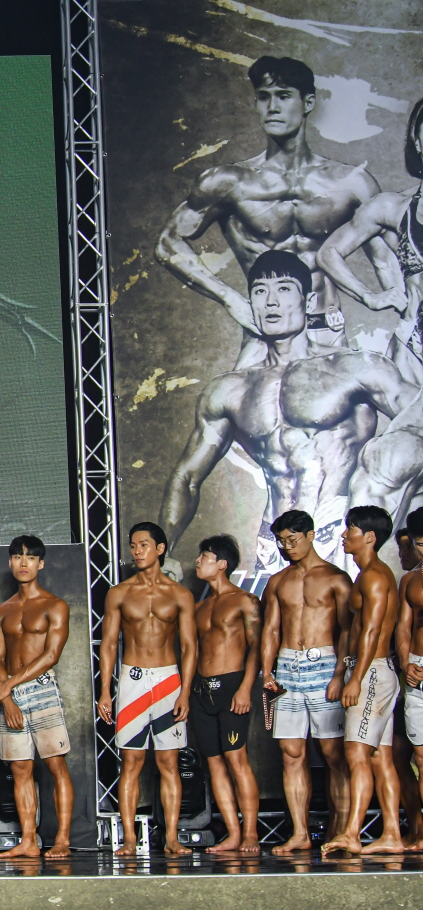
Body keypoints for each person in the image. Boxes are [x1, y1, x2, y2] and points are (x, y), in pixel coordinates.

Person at [160, 250, 416, 574]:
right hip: (274, 539)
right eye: (260, 291)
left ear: (309, 302)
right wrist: (163, 552)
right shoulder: (230, 389)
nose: (271, 302)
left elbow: (417, 417)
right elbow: (187, 477)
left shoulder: (353, 368)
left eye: (283, 289)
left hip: (337, 530)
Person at [156, 56, 386, 365]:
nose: (273, 107)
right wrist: (230, 298)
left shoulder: (350, 183)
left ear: (308, 103)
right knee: (242, 397)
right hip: (265, 334)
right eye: (264, 97)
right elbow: (167, 243)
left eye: (284, 96)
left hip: (326, 330)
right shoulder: (230, 182)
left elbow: (386, 261)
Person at [98, 522, 197, 857]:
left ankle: (172, 838)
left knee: (169, 762)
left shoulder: (180, 595)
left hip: (169, 680)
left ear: (160, 548)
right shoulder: (119, 593)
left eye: (143, 545)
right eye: (133, 546)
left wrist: (185, 692)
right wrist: (105, 690)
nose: (137, 551)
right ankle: (129, 839)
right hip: (133, 679)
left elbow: (190, 646)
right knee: (132, 760)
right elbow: (109, 644)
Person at [260, 508, 352, 853]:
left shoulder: (336, 578)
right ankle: (300, 833)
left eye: (293, 539)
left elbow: (348, 630)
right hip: (286, 669)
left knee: (333, 754)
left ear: (310, 536)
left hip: (325, 666)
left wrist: (340, 674)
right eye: (281, 541)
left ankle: (339, 831)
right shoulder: (277, 581)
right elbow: (270, 629)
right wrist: (267, 672)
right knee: (291, 752)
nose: (287, 547)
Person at [320, 97, 423, 388]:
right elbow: (329, 252)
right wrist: (369, 297)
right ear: (417, 142)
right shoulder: (394, 207)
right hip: (414, 352)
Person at [323, 506, 406, 854]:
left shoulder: (374, 576)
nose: (344, 535)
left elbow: (371, 631)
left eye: (350, 529)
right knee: (378, 757)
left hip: (371, 671)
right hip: (370, 670)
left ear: (369, 537)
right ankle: (392, 835)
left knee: (355, 753)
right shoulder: (367, 574)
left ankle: (352, 834)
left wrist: (356, 678)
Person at [0, 535, 74, 860]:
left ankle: (62, 840)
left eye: (30, 558)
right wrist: (7, 698)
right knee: (21, 769)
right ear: (10, 562)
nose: (23, 563)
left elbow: (51, 655)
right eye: (17, 557)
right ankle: (29, 841)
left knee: (56, 765)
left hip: (41, 689)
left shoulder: (55, 605)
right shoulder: (1, 610)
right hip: (10, 694)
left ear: (41, 563)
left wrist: (9, 685)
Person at [189, 535, 262, 855]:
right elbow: (191, 652)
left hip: (232, 686)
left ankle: (251, 834)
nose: (198, 561)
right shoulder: (199, 607)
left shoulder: (245, 600)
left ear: (222, 564)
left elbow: (257, 648)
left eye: (204, 556)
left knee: (236, 760)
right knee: (214, 764)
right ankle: (232, 834)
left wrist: (245, 688)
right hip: (201, 690)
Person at [393, 513, 423, 848]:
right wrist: (405, 662)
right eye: (420, 544)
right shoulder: (409, 581)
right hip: (417, 673)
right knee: (421, 759)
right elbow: (403, 627)